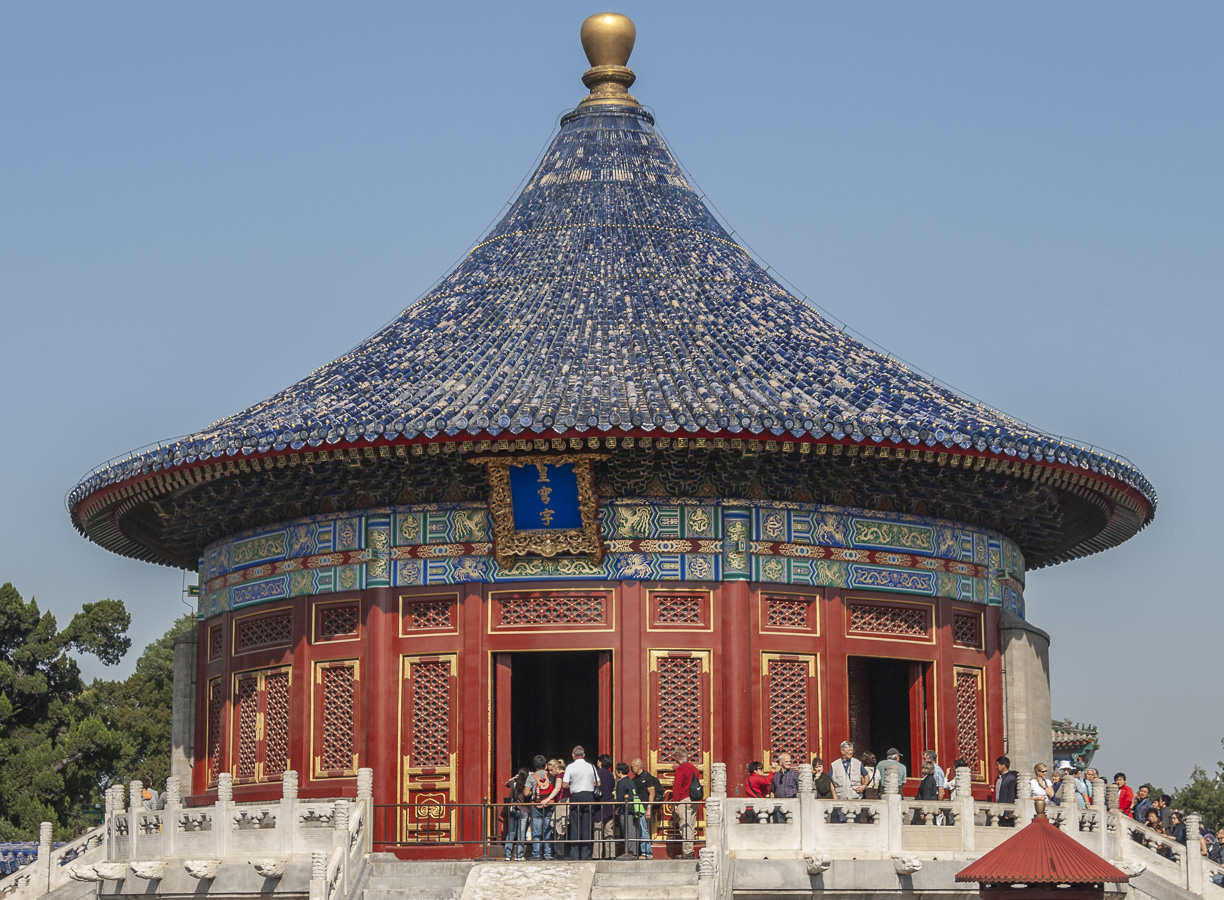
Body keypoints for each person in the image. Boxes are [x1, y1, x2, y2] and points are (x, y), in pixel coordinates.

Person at [562, 745, 599, 859]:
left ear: (573, 756)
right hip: (589, 796)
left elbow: (564, 784)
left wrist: (573, 784)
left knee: (575, 825)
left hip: (576, 797)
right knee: (587, 825)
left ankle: (574, 853)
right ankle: (585, 854)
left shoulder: (570, 767)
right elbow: (598, 783)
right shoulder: (591, 767)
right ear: (583, 755)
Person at [671, 748, 701, 859]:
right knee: (691, 825)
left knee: (685, 826)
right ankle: (690, 849)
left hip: (683, 799)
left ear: (678, 757)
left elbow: (677, 787)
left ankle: (687, 851)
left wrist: (675, 803)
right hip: (693, 799)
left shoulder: (680, 770)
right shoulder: (694, 769)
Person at [630, 758, 660, 859]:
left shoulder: (648, 777)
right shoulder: (634, 779)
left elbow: (652, 793)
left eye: (632, 767)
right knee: (639, 829)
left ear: (638, 767)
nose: (631, 769)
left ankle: (646, 852)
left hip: (644, 807)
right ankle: (642, 851)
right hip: (637, 808)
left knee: (643, 829)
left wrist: (649, 808)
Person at [529, 755, 557, 859]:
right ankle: (548, 854)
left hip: (536, 806)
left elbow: (527, 792)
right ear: (545, 765)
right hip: (549, 805)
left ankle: (536, 854)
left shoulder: (531, 776)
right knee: (548, 830)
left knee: (536, 831)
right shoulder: (550, 775)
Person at [614, 762, 642, 859]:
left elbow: (620, 798)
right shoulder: (630, 781)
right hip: (634, 809)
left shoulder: (621, 782)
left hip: (626, 809)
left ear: (619, 771)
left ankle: (630, 852)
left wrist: (616, 807)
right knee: (633, 830)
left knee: (628, 830)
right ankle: (634, 851)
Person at [593, 754, 617, 860]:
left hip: (599, 803)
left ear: (601, 762)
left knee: (598, 829)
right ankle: (610, 854)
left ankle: (597, 854)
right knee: (609, 829)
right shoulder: (611, 775)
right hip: (609, 803)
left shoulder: (596, 773)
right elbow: (612, 787)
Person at [503, 767, 529, 860]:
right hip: (524, 810)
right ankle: (519, 855)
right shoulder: (527, 785)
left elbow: (506, 783)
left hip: (513, 810)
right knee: (521, 833)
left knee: (511, 833)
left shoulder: (513, 784)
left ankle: (507, 855)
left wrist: (514, 777)